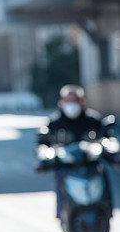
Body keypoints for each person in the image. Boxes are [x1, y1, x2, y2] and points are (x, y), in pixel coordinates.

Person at [35, 84, 114, 219]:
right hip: (67, 165)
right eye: (68, 102)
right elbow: (43, 143)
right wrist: (45, 158)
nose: (71, 105)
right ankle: (62, 212)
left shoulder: (92, 120)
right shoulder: (55, 122)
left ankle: (107, 209)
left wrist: (111, 152)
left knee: (103, 173)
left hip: (88, 163)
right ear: (62, 102)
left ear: (82, 102)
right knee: (59, 176)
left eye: (74, 101)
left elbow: (107, 137)